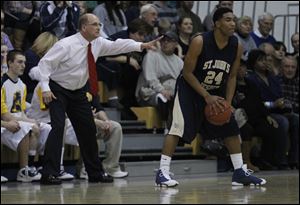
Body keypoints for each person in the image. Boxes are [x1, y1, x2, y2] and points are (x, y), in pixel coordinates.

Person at [34, 13, 162, 185]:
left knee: (87, 131)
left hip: (78, 91)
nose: (98, 28)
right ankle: (49, 173)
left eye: (99, 24)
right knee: (58, 126)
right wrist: (45, 88)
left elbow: (118, 45)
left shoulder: (98, 42)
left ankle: (95, 174)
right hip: (58, 89)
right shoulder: (66, 45)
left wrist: (141, 45)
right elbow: (44, 64)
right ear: (84, 27)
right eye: (94, 24)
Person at [155, 7, 267, 187]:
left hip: (216, 90)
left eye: (234, 20)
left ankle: (239, 172)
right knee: (176, 128)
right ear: (216, 23)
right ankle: (162, 172)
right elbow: (188, 73)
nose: (233, 23)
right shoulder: (200, 41)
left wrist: (228, 104)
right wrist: (206, 96)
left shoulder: (236, 45)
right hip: (189, 89)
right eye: (228, 20)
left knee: (230, 128)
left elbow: (231, 76)